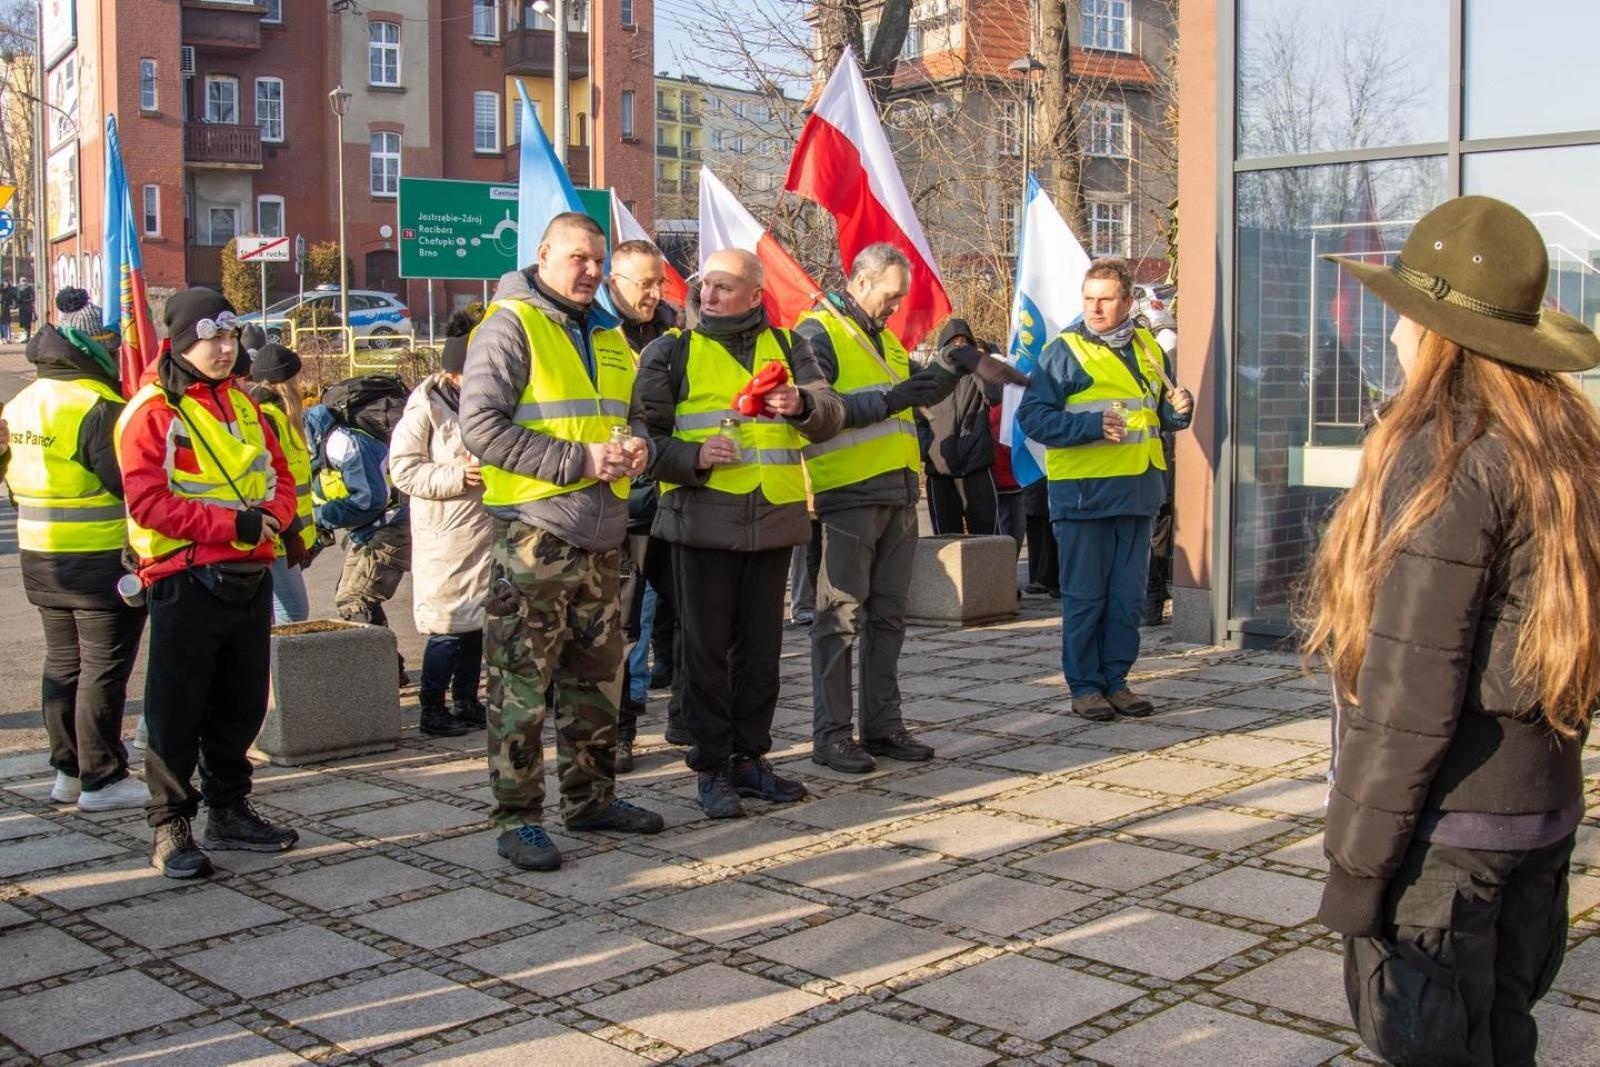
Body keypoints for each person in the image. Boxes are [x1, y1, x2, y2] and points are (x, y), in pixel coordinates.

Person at [1303, 196, 1600, 1065]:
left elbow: (1408, 693)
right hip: (1539, 817)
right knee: (1506, 1037)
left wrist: (1356, 869)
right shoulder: (1563, 446)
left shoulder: (1451, 453)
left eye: (1404, 313)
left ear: (1438, 333)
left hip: (1451, 838)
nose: (1392, 332)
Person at [461, 211, 665, 871]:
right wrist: (578, 462)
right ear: (543, 254)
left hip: (601, 538)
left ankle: (591, 798)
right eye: (578, 257)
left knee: (596, 681)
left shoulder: (610, 335)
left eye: (599, 261)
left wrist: (637, 443)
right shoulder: (509, 325)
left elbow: (627, 413)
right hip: (534, 538)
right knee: (520, 687)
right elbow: (482, 428)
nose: (592, 271)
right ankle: (517, 819)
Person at [634, 247, 844, 817]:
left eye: (725, 287)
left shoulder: (790, 346)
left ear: (756, 295)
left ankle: (751, 758)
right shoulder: (671, 351)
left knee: (761, 653)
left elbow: (829, 412)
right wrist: (694, 455)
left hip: (773, 519)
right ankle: (711, 766)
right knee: (703, 654)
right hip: (702, 522)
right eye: (707, 285)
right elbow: (642, 439)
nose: (709, 295)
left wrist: (801, 404)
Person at [115, 289, 299, 878]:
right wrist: (237, 525)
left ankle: (229, 808)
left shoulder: (243, 404)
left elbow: (281, 472)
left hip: (246, 574)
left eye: (231, 337)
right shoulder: (153, 410)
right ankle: (170, 826)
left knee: (240, 702)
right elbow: (149, 503)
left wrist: (279, 517)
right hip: (185, 578)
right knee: (176, 710)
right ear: (181, 340)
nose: (225, 349)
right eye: (212, 338)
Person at [794, 244, 963, 773]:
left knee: (888, 617)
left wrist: (953, 369)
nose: (895, 307)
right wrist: (896, 399)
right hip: (847, 493)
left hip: (895, 493)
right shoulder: (816, 333)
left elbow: (909, 395)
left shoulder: (884, 337)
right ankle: (832, 735)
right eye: (890, 296)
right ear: (861, 283)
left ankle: (883, 725)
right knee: (839, 618)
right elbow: (820, 413)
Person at [1018, 257, 1192, 722]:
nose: (1094, 308)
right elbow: (1032, 418)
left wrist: (1179, 410)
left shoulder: (1151, 350)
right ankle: (1085, 686)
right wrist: (1091, 426)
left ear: (1128, 301)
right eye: (1088, 299)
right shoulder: (1064, 351)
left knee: (1126, 599)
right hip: (1084, 496)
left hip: (1137, 494)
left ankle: (1116, 681)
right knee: (1085, 597)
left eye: (1105, 299)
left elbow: (1156, 417)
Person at [3, 312, 146, 811]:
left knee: (63, 662)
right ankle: (101, 778)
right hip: (99, 557)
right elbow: (128, 485)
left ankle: (66, 770)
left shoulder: (20, 403)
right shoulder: (98, 405)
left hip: (38, 554)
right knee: (103, 669)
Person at [389, 309, 491, 740]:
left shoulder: (484, 401)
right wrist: (457, 476)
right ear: (454, 373)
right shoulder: (425, 407)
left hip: (482, 527)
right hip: (445, 532)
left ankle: (467, 699)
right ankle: (432, 706)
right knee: (447, 623)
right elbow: (403, 470)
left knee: (475, 621)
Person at [606, 239, 679, 771]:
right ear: (615, 283)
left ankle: (688, 717)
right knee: (624, 626)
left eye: (659, 283)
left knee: (691, 614)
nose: (654, 293)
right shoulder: (595, 334)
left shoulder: (679, 332)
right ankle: (620, 728)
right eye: (643, 284)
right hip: (624, 505)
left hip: (677, 496)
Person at [305, 386, 411, 682]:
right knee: (354, 597)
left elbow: (370, 499)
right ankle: (389, 670)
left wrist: (324, 515)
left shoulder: (341, 443)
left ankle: (379, 679)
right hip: (371, 528)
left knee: (355, 599)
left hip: (391, 525)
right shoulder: (316, 442)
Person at [247, 343, 315, 624]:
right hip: (276, 535)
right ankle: (280, 669)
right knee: (294, 614)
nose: (302, 384)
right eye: (297, 378)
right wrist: (290, 532)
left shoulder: (277, 416)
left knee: (276, 615)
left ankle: (270, 668)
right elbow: (270, 482)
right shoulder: (268, 417)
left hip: (281, 533)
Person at [917, 318, 998, 536]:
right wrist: (928, 450)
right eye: (953, 343)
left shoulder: (980, 372)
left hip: (976, 471)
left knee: (987, 543)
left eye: (964, 343)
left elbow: (995, 396)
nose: (959, 347)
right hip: (941, 474)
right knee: (946, 543)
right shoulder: (928, 376)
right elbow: (917, 419)